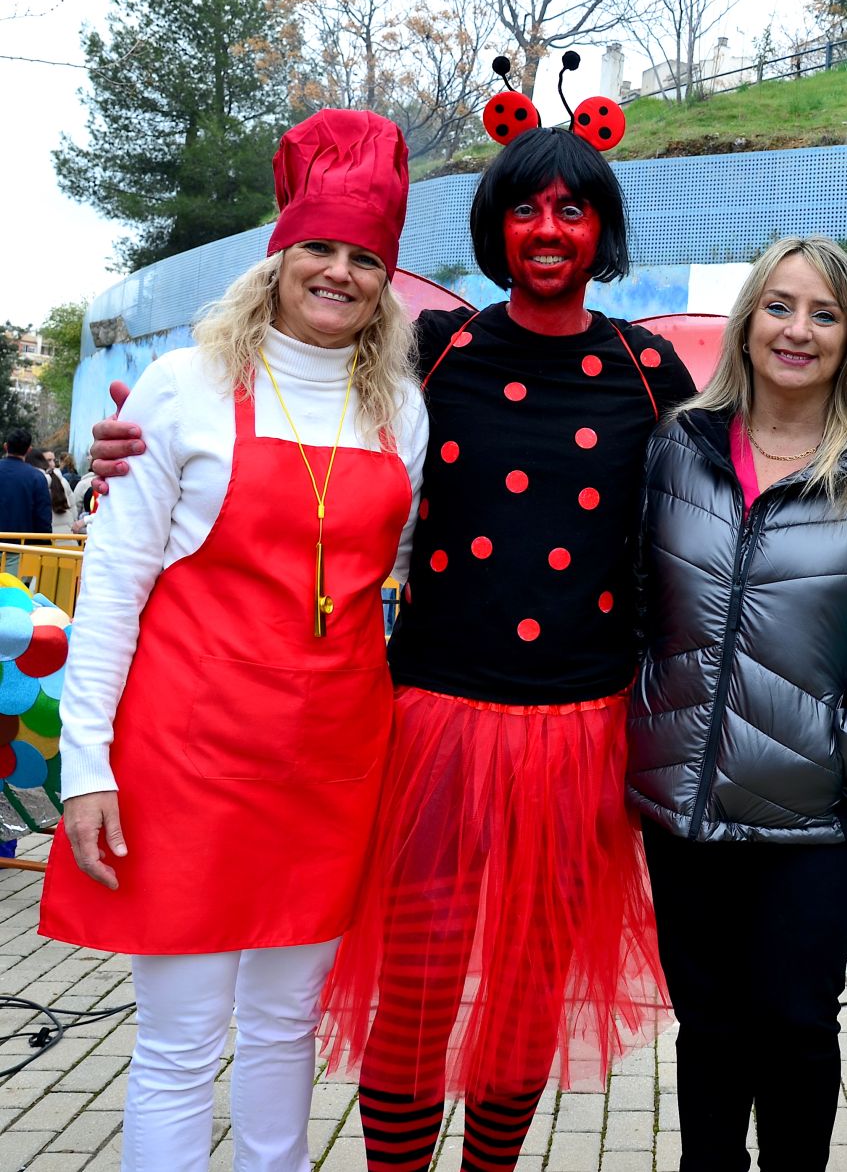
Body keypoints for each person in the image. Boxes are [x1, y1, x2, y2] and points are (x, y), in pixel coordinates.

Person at [89, 116, 695, 1170]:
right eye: (524, 208)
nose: (548, 230)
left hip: (583, 732)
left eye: (571, 210)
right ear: (492, 227)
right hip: (429, 730)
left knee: (525, 993)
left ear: (603, 230)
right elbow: (309, 427)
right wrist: (127, 457)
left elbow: (729, 504)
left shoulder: (650, 373)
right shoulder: (432, 357)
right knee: (412, 989)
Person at [37, 110, 429, 1172]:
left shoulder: (399, 405)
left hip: (331, 754)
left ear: (385, 282)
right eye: (320, 248)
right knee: (178, 1038)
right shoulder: (183, 389)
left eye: (364, 257)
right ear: (277, 256)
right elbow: (113, 589)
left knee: (285, 1025)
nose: (339, 273)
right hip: (185, 753)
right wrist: (86, 767)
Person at [627, 236, 847, 1168]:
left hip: (813, 814)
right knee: (707, 1029)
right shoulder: (673, 449)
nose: (799, 329)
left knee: (792, 1025)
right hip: (682, 804)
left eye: (824, 313)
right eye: (780, 306)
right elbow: (626, 606)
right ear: (747, 325)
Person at [0, 427, 51, 571]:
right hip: (18, 549)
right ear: (29, 450)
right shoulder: (36, 477)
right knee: (12, 590)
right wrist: (45, 546)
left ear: (6, 446)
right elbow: (43, 517)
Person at [41, 449, 74, 535]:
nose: (52, 463)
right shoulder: (63, 481)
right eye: (48, 460)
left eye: (53, 460)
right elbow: (74, 507)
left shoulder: (63, 481)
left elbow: (73, 506)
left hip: (48, 538)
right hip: (67, 536)